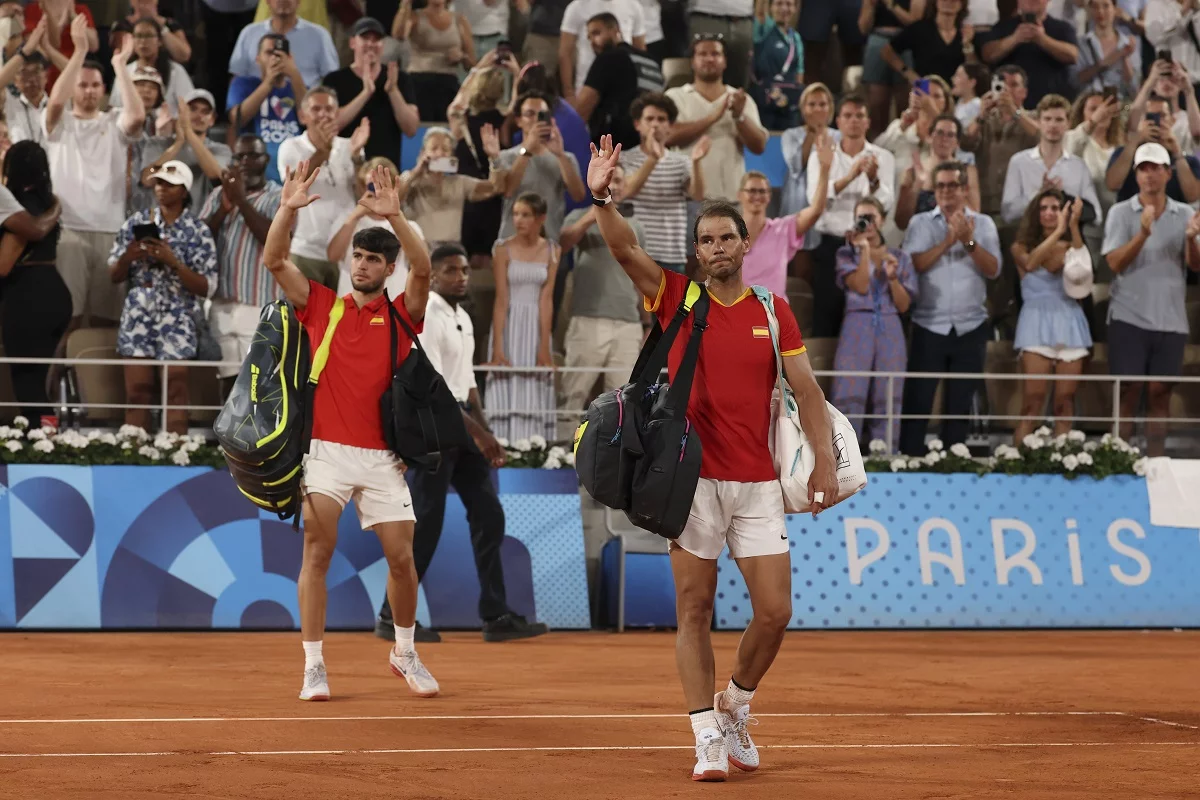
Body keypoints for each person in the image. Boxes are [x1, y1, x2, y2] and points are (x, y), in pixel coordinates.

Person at [587, 133, 839, 783]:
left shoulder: (772, 310)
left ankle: (736, 703)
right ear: (696, 251)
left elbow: (806, 392)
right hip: (691, 484)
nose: (718, 248)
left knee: (775, 612)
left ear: (744, 244)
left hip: (757, 483)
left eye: (728, 238)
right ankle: (704, 733)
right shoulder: (675, 297)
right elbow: (621, 246)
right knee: (694, 611)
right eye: (707, 241)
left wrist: (824, 462)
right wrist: (601, 196)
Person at [263, 160, 438, 702]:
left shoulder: (405, 314)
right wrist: (287, 209)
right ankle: (314, 664)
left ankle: (404, 651)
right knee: (317, 550)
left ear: (388, 269)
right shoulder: (321, 305)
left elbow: (425, 270)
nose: (361, 265)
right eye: (358, 257)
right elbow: (274, 259)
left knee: (402, 560)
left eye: (372, 259)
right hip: (326, 454)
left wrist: (397, 217)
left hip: (384, 458)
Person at [374, 243, 551, 644]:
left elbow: (469, 383)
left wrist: (487, 432)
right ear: (433, 276)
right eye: (452, 271)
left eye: (466, 270)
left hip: (464, 426)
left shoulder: (464, 316)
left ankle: (495, 615)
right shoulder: (430, 315)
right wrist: (481, 434)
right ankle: (391, 616)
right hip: (435, 425)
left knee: (489, 515)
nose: (462, 277)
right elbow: (435, 387)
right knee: (426, 526)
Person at [45, 17, 144, 329]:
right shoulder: (59, 124)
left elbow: (138, 116)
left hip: (110, 229)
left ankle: (94, 378)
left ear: (104, 91)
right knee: (68, 317)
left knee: (106, 321)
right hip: (68, 230)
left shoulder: (113, 120)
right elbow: (56, 101)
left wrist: (119, 64)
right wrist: (79, 52)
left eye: (94, 86)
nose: (88, 91)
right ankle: (62, 379)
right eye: (82, 85)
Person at [1102, 141, 1200, 455]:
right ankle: (1118, 461)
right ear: (1136, 174)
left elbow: (1195, 264)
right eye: (1143, 169)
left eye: (1155, 168)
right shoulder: (1120, 212)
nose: (1149, 175)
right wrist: (1142, 235)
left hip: (1170, 319)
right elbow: (1115, 264)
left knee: (1160, 395)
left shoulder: (1186, 213)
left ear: (1167, 174)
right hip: (1128, 317)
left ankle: (1156, 465)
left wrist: (1190, 240)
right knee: (1127, 392)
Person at [899, 160, 1001, 455]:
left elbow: (994, 269)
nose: (946, 191)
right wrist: (948, 241)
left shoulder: (984, 224)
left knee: (959, 402)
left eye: (952, 185)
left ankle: (953, 463)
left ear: (964, 189)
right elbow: (912, 265)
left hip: (971, 325)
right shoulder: (920, 223)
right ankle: (909, 461)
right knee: (918, 400)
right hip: (928, 324)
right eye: (940, 185)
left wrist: (968, 241)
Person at [108, 160, 218, 434]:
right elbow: (114, 274)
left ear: (184, 191)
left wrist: (174, 262)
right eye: (158, 183)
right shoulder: (137, 222)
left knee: (176, 392)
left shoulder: (198, 230)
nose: (161, 188)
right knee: (136, 392)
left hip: (178, 315)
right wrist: (128, 256)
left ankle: (175, 456)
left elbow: (207, 287)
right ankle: (135, 455)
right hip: (138, 314)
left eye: (169, 184)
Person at [557, 161, 644, 437]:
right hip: (587, 319)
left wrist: (646, 322)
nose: (614, 186)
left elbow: (641, 274)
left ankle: (612, 465)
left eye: (619, 181)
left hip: (628, 323)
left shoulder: (635, 226)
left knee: (623, 402)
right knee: (572, 395)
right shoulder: (578, 216)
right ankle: (558, 461)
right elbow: (563, 243)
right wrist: (597, 209)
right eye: (610, 180)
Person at [832, 197, 918, 451]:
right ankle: (844, 460)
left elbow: (904, 306)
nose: (868, 223)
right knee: (849, 391)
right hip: (857, 323)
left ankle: (886, 455)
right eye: (862, 217)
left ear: (882, 220)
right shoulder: (846, 253)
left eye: (872, 217)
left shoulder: (900, 257)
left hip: (891, 325)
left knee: (889, 394)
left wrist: (893, 279)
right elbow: (860, 285)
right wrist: (865, 251)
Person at [807, 94, 896, 338]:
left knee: (866, 319)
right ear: (838, 121)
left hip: (869, 246)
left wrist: (873, 179)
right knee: (826, 318)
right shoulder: (822, 156)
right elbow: (814, 200)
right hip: (832, 246)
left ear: (868, 122)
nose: (854, 120)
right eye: (848, 115)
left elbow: (886, 203)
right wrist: (850, 177)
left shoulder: (883, 157)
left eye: (860, 116)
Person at [200, 135, 283, 398]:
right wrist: (224, 209)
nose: (245, 162)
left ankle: (255, 440)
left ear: (265, 159)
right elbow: (198, 240)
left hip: (258, 303)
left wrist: (242, 201)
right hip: (221, 302)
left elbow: (275, 241)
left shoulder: (278, 196)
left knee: (257, 383)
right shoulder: (218, 195)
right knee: (226, 380)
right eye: (239, 157)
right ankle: (226, 439)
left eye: (252, 156)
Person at [1010, 190, 1092, 442]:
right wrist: (1059, 232)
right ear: (1035, 214)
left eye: (1055, 208)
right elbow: (1033, 263)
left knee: (1064, 402)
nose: (1048, 213)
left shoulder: (1072, 245)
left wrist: (1074, 227)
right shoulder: (1019, 246)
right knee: (1032, 401)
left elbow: (1082, 269)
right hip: (1035, 321)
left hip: (1069, 321)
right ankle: (1018, 462)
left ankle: (1063, 461)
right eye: (1043, 208)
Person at [0, 141, 71, 420]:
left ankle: (41, 446)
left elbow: (4, 265)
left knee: (27, 381)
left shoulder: (21, 209)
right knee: (39, 380)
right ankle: (47, 439)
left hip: (28, 297)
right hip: (54, 293)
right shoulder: (46, 203)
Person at [277, 88, 371, 291]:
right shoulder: (290, 147)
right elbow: (292, 188)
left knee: (345, 321)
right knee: (306, 321)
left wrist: (356, 157)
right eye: (316, 109)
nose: (323, 114)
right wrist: (324, 151)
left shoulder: (351, 146)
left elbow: (363, 196)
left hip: (347, 253)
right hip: (306, 252)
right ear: (303, 116)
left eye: (329, 109)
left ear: (337, 114)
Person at [484, 192, 559, 442]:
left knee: (534, 383)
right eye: (515, 214)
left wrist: (545, 347)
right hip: (509, 322)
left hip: (536, 324)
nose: (519, 220)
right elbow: (501, 300)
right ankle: (502, 445)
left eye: (525, 215)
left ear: (541, 218)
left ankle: (534, 447)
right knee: (506, 381)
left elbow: (546, 300)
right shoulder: (502, 249)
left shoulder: (552, 250)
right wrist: (497, 348)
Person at [665, 34, 768, 203]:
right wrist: (713, 117)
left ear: (725, 61)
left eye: (715, 54)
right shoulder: (674, 97)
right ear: (692, 61)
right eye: (702, 54)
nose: (709, 59)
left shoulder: (741, 99)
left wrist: (739, 116)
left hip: (731, 200)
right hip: (686, 201)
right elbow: (667, 136)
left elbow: (759, 146)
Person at [619, 92, 709, 274]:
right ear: (638, 125)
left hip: (672, 255)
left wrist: (697, 162)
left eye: (661, 119)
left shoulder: (681, 161)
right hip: (637, 252)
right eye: (649, 119)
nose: (655, 124)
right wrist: (653, 158)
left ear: (670, 126)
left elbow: (697, 195)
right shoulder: (625, 158)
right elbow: (626, 190)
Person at [738, 141, 832, 298]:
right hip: (737, 313)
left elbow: (816, 210)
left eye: (762, 191)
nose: (757, 196)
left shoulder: (783, 229)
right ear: (740, 195)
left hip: (774, 316)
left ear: (769, 196)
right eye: (752, 191)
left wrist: (825, 169)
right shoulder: (727, 233)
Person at [322, 18, 420, 163]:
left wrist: (393, 91)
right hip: (343, 166)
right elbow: (332, 125)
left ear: (383, 45)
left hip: (385, 168)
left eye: (376, 39)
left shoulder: (399, 79)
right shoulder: (335, 80)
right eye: (365, 38)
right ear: (352, 42)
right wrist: (366, 93)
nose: (371, 44)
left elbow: (411, 129)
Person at [328, 156, 427, 298]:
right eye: (371, 186)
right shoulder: (347, 219)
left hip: (391, 306)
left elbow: (422, 265)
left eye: (381, 186)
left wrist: (394, 215)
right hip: (351, 306)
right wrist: (355, 216)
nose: (376, 192)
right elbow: (333, 256)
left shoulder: (408, 226)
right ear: (363, 187)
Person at [495, 91, 587, 241]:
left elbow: (578, 195)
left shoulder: (566, 157)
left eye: (542, 114)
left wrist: (560, 155)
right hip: (511, 243)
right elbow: (508, 190)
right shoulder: (506, 156)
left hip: (549, 243)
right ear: (519, 120)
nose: (536, 119)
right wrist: (527, 150)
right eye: (530, 114)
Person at [394, 126, 506, 244]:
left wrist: (494, 158)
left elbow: (496, 187)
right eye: (434, 148)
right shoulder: (411, 179)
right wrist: (417, 170)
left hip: (451, 252)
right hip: (419, 248)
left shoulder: (460, 182)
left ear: (452, 155)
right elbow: (395, 197)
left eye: (445, 149)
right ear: (423, 153)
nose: (440, 153)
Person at [572, 12, 665, 148]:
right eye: (589, 37)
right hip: (652, 146)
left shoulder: (608, 58)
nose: (592, 42)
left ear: (615, 31)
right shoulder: (651, 61)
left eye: (596, 33)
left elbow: (582, 110)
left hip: (617, 148)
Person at [134, 92, 233, 215]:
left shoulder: (221, 150)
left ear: (212, 119)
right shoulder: (156, 144)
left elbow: (216, 175)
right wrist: (177, 144)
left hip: (197, 225)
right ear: (180, 114)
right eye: (192, 109)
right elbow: (147, 180)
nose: (199, 116)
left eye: (205, 111)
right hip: (155, 224)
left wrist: (188, 132)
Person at [227, 32, 306, 185]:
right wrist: (268, 82)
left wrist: (295, 74)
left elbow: (309, 117)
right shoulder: (243, 84)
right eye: (269, 52)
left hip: (294, 179)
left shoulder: (298, 88)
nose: (276, 58)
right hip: (256, 180)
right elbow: (237, 118)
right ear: (258, 58)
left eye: (282, 53)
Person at [979, 0, 1079, 108]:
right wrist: (1015, 39)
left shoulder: (1062, 28)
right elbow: (988, 55)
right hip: (1010, 105)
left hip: (1050, 107)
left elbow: (1072, 55)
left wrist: (1042, 39)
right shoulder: (1003, 27)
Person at [229, 0, 338, 89]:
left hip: (305, 109)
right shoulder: (249, 33)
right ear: (267, 1)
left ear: (299, 1)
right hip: (256, 108)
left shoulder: (319, 35)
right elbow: (237, 78)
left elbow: (332, 79)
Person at [400, 0, 477, 122]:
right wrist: (405, 5)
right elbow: (399, 35)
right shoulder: (415, 16)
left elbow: (472, 64)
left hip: (448, 81)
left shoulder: (459, 20)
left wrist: (461, 56)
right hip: (419, 80)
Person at [858, 0, 924, 140]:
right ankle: (876, 145)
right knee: (876, 104)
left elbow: (917, 23)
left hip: (906, 41)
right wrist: (870, 6)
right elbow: (863, 28)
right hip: (877, 39)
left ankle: (903, 142)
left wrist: (892, 5)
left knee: (905, 101)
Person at [558, 0, 646, 103]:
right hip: (586, 84)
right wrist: (569, 94)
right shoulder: (577, 6)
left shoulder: (634, 6)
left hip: (624, 86)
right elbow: (565, 52)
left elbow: (640, 51)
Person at [881, 0, 977, 87]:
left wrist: (967, 44)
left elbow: (973, 69)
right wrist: (908, 73)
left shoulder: (965, 32)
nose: (948, 2)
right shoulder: (920, 28)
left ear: (962, 4)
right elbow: (887, 51)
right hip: (925, 88)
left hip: (955, 91)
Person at [108, 17, 193, 114]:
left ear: (160, 41)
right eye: (139, 36)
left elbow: (189, 106)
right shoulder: (124, 71)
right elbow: (114, 107)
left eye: (148, 35)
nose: (143, 41)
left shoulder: (176, 71)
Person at [751, 0, 804, 131]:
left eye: (789, 4)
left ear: (795, 8)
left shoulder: (796, 38)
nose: (784, 8)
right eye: (779, 3)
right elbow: (760, 12)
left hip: (789, 102)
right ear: (770, 7)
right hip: (765, 100)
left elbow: (799, 72)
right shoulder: (763, 29)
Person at [1076, 0, 1141, 98]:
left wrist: (1125, 57)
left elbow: (1134, 90)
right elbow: (1076, 80)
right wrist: (1103, 63)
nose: (1100, 11)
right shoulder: (1082, 43)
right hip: (1091, 105)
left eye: (1106, 6)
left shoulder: (1128, 43)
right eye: (1095, 7)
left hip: (1120, 105)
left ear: (1115, 9)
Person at [0, 20, 50, 147]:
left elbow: (77, 77)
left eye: (36, 72)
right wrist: (25, 51)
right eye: (24, 73)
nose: (31, 79)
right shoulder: (10, 105)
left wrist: (48, 48)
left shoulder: (57, 105)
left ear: (46, 76)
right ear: (15, 80)